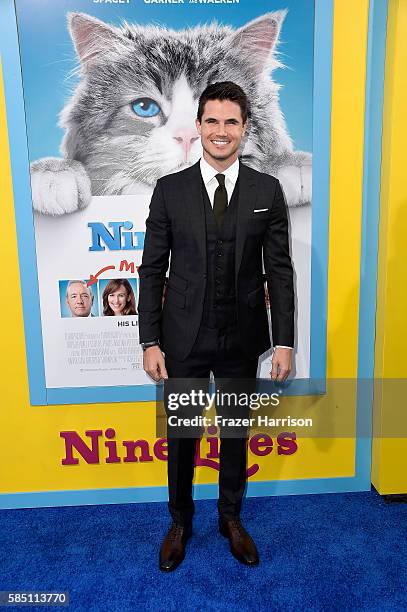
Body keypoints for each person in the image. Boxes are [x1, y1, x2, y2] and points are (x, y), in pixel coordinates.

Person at [138, 81, 294, 572]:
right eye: (212, 121)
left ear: (245, 129)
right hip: (183, 340)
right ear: (199, 126)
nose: (221, 132)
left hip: (242, 339)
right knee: (183, 436)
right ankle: (180, 522)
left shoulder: (267, 191)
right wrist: (150, 340)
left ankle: (231, 519)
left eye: (231, 122)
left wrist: (284, 341)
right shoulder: (170, 190)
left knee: (233, 435)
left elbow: (280, 270)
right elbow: (152, 270)